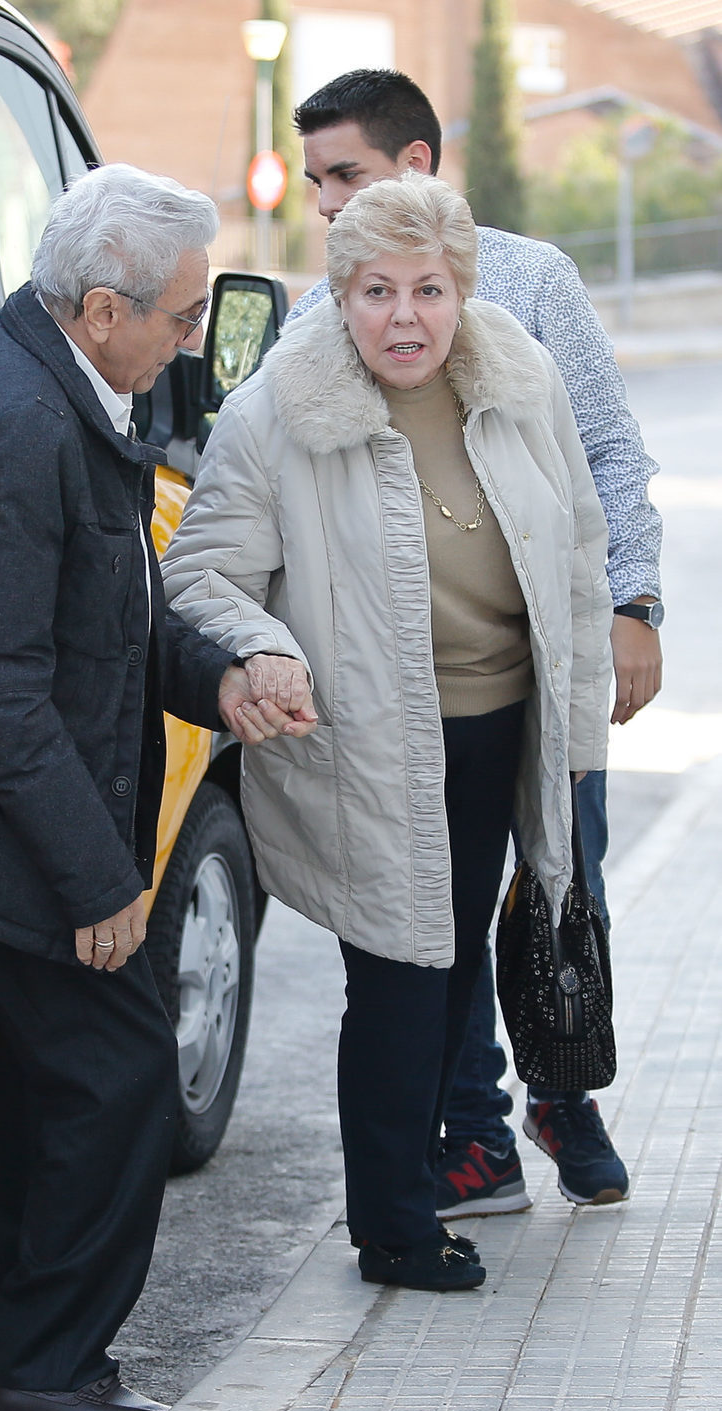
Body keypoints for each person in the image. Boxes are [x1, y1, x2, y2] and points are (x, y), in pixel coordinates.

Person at [0, 163, 310, 1411]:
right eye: (184, 315)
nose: (192, 339)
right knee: (116, 1074)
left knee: (13, 1080)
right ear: (104, 308)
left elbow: (113, 616)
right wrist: (101, 882)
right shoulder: (22, 422)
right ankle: (49, 1362)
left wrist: (224, 677)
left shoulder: (56, 383)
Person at [162, 171, 613, 1292]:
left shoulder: (514, 369)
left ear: (459, 290)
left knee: (457, 976)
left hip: (502, 733)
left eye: (426, 289)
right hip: (369, 744)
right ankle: (394, 1228)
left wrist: (577, 734)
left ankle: (424, 1182)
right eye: (373, 291)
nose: (401, 316)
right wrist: (260, 647)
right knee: (401, 984)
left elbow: (575, 548)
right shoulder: (281, 403)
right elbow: (202, 572)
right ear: (339, 292)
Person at [289, 68, 664, 1217]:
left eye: (342, 173)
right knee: (433, 925)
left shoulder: (532, 279)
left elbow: (609, 452)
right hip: (419, 691)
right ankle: (475, 1140)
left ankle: (565, 1097)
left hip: (546, 672)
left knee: (558, 893)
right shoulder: (328, 307)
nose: (323, 202)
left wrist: (631, 608)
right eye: (312, 183)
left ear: (416, 166)